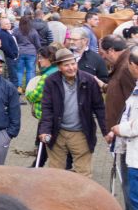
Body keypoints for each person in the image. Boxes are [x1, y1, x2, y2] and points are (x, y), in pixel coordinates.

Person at [38, 48, 109, 178]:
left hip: (81, 133)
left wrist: (106, 131)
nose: (71, 68)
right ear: (59, 67)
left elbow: (99, 107)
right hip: (57, 133)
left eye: (73, 63)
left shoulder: (89, 80)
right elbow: (47, 108)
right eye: (66, 65)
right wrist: (45, 130)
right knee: (55, 174)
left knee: (83, 174)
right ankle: (57, 198)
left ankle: (81, 198)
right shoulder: (51, 81)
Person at [99, 34, 138, 210]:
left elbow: (133, 103)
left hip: (129, 138)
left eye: (104, 54)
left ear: (113, 51)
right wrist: (105, 87)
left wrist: (118, 129)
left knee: (130, 184)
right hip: (123, 134)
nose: (104, 58)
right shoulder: (123, 67)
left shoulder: (127, 69)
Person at [109, 47, 138, 210]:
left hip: (135, 151)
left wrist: (118, 129)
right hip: (130, 150)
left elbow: (135, 125)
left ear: (133, 65)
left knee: (136, 195)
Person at [12, 16, 41, 91]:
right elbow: (37, 44)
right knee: (30, 70)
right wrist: (39, 52)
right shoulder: (33, 31)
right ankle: (29, 88)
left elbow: (13, 42)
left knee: (19, 71)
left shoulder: (16, 31)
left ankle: (19, 87)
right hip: (31, 53)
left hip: (20, 52)